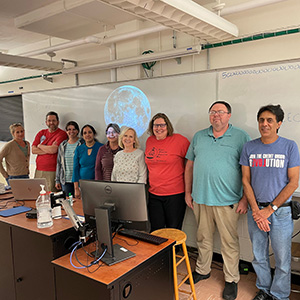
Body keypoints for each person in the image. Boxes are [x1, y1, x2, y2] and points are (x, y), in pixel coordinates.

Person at [185, 101, 251, 300]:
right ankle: (202, 270)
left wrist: (245, 199)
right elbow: (189, 167)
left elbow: (248, 172)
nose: (216, 116)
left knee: (228, 242)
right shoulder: (198, 136)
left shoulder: (241, 137)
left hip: (228, 201)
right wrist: (188, 193)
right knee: (202, 238)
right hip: (201, 199)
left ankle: (231, 280)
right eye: (213, 112)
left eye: (221, 112)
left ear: (229, 115)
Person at [240, 105, 300, 300]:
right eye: (261, 120)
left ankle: (280, 295)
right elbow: (245, 181)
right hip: (255, 209)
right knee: (259, 255)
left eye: (269, 120)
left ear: (279, 124)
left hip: (280, 212)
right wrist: (257, 211)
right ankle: (264, 289)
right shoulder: (249, 147)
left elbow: (293, 183)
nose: (264, 124)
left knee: (282, 258)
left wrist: (269, 209)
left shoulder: (290, 146)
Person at [145, 113, 190, 232]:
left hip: (175, 194)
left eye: (162, 125)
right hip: (154, 194)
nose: (158, 128)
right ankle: (161, 252)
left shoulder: (180, 140)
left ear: (168, 126)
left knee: (173, 230)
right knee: (156, 230)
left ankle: (173, 251)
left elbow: (191, 162)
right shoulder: (150, 141)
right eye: (155, 125)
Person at [32, 111, 67, 192]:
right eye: (49, 121)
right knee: (37, 194)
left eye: (54, 120)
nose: (51, 123)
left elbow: (54, 150)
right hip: (39, 170)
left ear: (58, 122)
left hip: (52, 171)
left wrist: (40, 146)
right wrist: (49, 149)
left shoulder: (62, 134)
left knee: (51, 195)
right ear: (46, 122)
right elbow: (33, 150)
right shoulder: (41, 133)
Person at [73, 124, 103, 198]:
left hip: (97, 185)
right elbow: (75, 169)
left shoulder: (101, 148)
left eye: (90, 132)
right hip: (82, 185)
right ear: (82, 136)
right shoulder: (79, 149)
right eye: (85, 133)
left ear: (94, 134)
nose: (87, 135)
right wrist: (76, 188)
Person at [55, 121, 83, 196]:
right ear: (66, 131)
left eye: (74, 129)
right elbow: (59, 163)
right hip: (66, 180)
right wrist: (57, 180)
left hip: (79, 180)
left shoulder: (82, 143)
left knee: (80, 203)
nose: (71, 131)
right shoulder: (63, 145)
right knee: (69, 203)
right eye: (69, 129)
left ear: (77, 131)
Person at [0, 123, 30, 189]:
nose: (20, 134)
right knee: (15, 198)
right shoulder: (9, 145)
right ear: (13, 134)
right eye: (17, 132)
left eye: (22, 131)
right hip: (14, 177)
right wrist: (5, 175)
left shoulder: (27, 144)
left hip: (26, 176)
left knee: (26, 196)